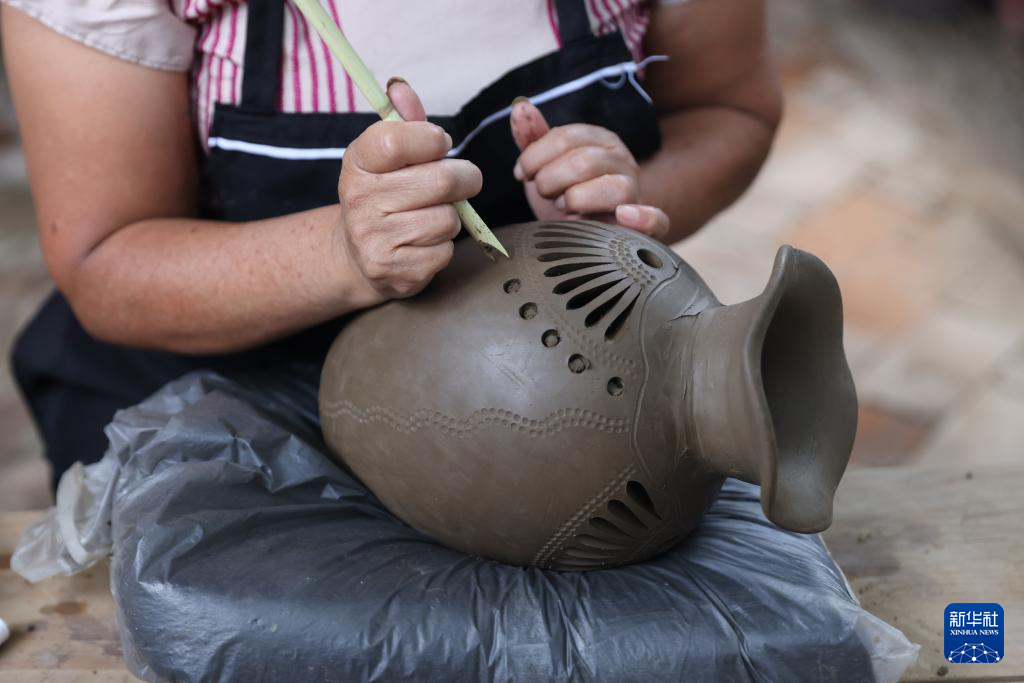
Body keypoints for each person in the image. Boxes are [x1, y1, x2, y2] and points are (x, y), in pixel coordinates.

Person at [1, 0, 782, 486]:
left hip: (542, 410)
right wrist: (340, 254)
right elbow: (106, 258)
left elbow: (729, 109)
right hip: (217, 409)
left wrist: (624, 201)